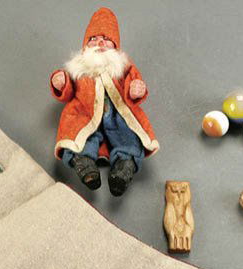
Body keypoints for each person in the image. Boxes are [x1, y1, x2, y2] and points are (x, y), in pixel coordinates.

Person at [50, 7, 160, 196]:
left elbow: (134, 80)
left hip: (117, 116)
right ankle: (84, 164)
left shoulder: (123, 65)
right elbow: (68, 90)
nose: (99, 42)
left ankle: (123, 169)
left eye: (106, 39)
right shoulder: (80, 67)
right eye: (93, 39)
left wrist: (136, 90)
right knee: (76, 133)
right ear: (85, 44)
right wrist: (60, 82)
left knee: (128, 136)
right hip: (85, 113)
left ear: (116, 45)